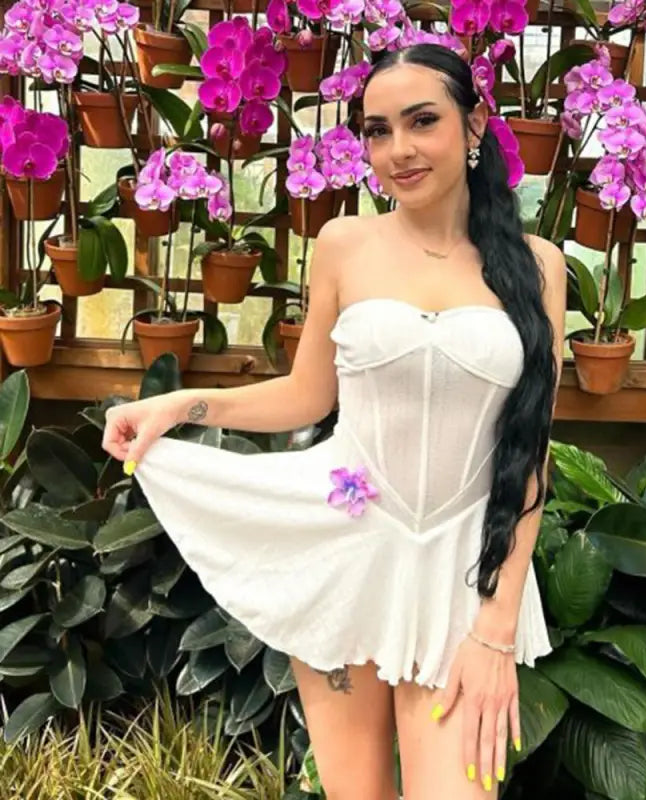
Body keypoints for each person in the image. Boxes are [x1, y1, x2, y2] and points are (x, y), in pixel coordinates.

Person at [102, 42, 566, 800]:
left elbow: (532, 453)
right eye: (377, 130)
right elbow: (307, 396)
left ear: (473, 125)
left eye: (423, 121)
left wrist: (496, 626)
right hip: (343, 549)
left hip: (462, 572)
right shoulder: (345, 243)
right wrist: (180, 405)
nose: (398, 150)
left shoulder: (539, 266)